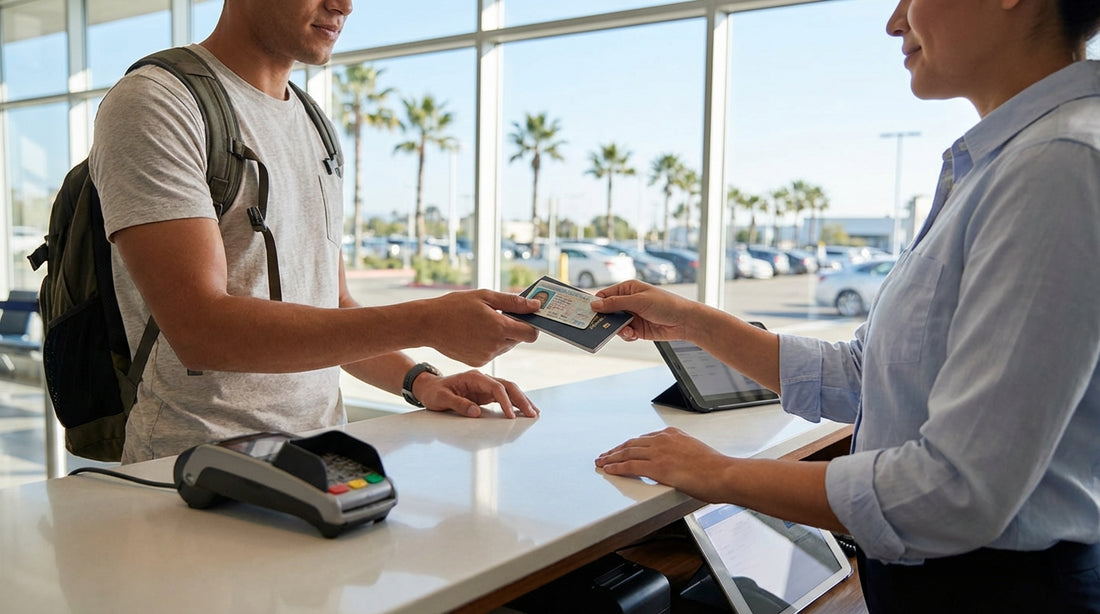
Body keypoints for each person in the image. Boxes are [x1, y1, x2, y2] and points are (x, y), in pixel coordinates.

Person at [593, 0, 1100, 611]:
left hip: (998, 589)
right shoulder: (1004, 165)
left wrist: (717, 473)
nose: (895, 21)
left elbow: (956, 490)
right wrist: (693, 322)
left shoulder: (1056, 166)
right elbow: (870, 379)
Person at [89, 0, 541, 464]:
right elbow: (200, 330)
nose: (343, 5)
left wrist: (422, 382)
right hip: (192, 471)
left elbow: (335, 308)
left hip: (320, 459)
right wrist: (427, 321)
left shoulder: (313, 122)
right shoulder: (157, 102)